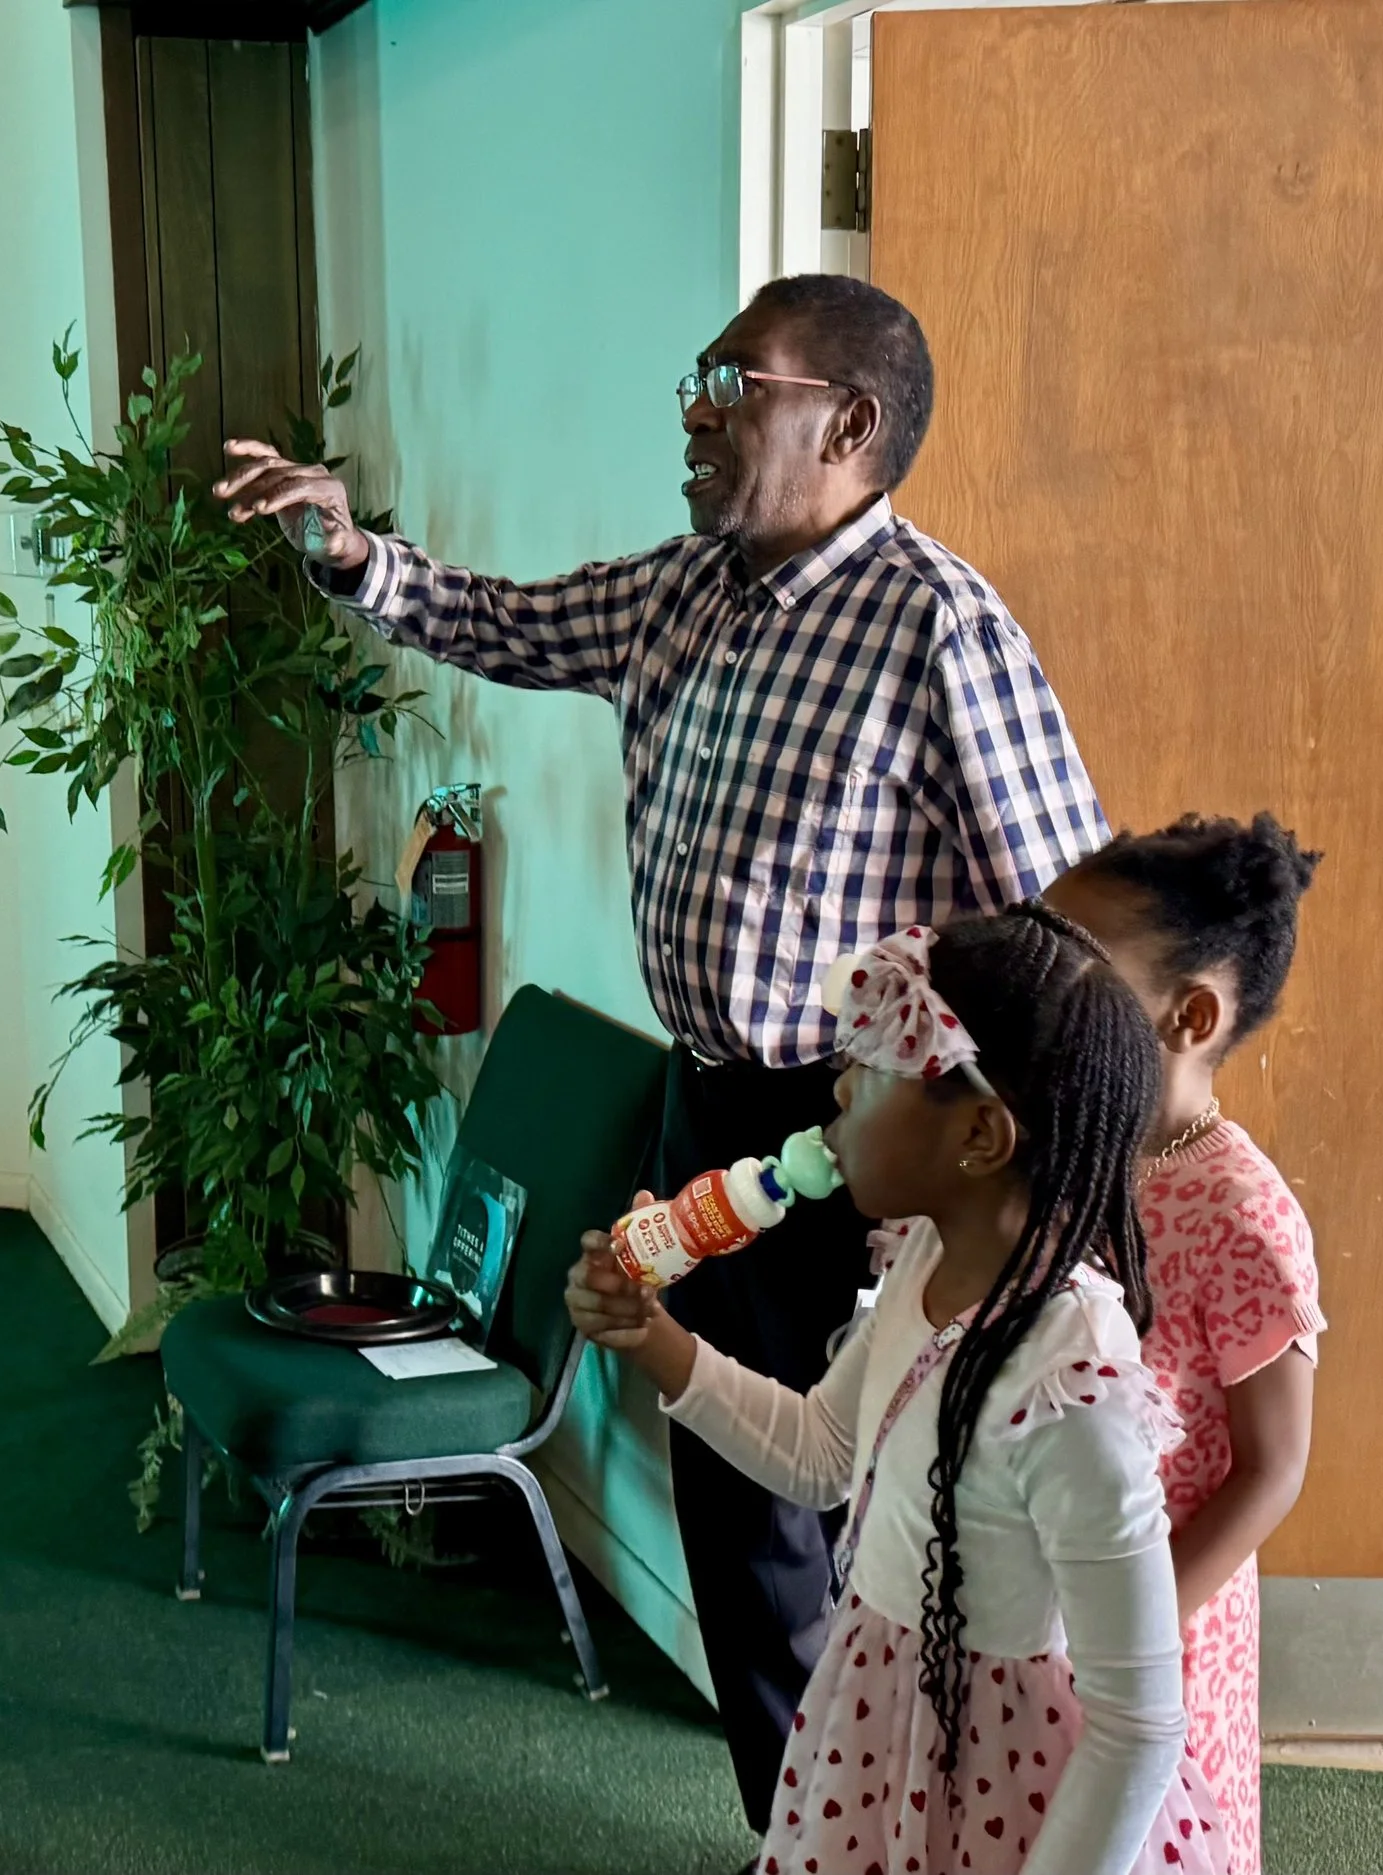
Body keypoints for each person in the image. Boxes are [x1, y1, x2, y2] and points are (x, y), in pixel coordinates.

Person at [214, 273, 1109, 1827]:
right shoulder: (684, 586)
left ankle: (883, 1837)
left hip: (863, 1145)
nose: (696, 407)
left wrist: (1002, 1175)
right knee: (739, 1521)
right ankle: (800, 1834)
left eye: (731, 378)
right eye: (696, 375)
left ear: (850, 421)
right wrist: (351, 554)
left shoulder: (937, 627)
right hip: (709, 1113)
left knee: (858, 1531)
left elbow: (1062, 939)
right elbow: (502, 618)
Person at [568, 905, 1225, 1875]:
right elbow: (822, 1455)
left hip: (1004, 1793)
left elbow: (1138, 1726)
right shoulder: (923, 1261)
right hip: (883, 1735)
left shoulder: (1069, 1395)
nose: (837, 1084)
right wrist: (655, 1341)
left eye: (871, 1066)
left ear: (979, 1136)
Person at [1045, 815, 1324, 1875]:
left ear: (1189, 1015)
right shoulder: (1076, 1147)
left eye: (1075, 971)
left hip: (1160, 1624)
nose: (1040, 987)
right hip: (1062, 1580)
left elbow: (1273, 1468)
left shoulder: (1242, 1214)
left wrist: (1138, 1632)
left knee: (1144, 1839)